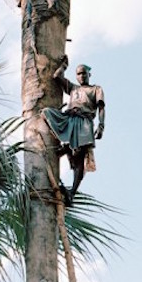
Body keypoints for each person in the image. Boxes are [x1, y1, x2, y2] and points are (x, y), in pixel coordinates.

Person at [43, 57, 105, 205]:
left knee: (78, 158)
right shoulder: (73, 88)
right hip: (69, 119)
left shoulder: (95, 89)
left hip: (84, 122)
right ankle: (65, 147)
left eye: (84, 73)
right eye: (78, 74)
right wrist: (64, 66)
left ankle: (72, 192)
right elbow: (57, 77)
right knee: (47, 112)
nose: (81, 76)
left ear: (89, 74)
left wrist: (101, 125)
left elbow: (101, 107)